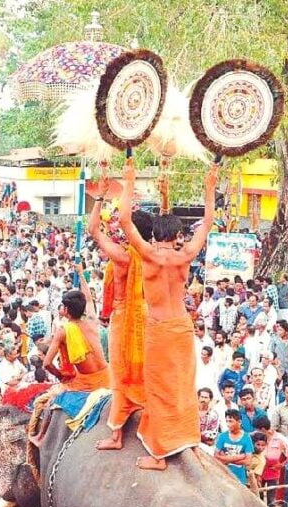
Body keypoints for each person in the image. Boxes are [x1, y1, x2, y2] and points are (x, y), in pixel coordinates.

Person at [115, 159, 217, 470]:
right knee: (183, 385)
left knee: (159, 387)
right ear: (176, 235)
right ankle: (186, 439)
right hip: (183, 326)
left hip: (159, 328)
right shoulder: (185, 255)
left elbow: (124, 220)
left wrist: (129, 180)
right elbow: (208, 221)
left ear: (155, 235)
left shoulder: (148, 253)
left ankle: (159, 454)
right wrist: (209, 186)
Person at [87, 188, 151, 452]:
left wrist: (99, 199)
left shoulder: (123, 257)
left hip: (124, 318)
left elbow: (93, 230)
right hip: (145, 320)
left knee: (120, 372)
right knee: (142, 369)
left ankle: (116, 434)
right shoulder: (152, 255)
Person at [41, 290, 110, 392]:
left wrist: (61, 377)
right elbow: (90, 301)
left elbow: (47, 364)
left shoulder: (63, 331)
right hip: (109, 376)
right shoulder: (92, 321)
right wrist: (81, 275)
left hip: (88, 384)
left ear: (66, 309)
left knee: (46, 400)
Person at [214, 409, 254, 486]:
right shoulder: (222, 436)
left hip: (240, 478)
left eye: (231, 421)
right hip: (224, 476)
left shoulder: (246, 438)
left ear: (239, 422)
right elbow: (216, 456)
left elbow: (248, 461)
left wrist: (226, 459)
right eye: (227, 421)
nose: (228, 424)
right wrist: (240, 457)